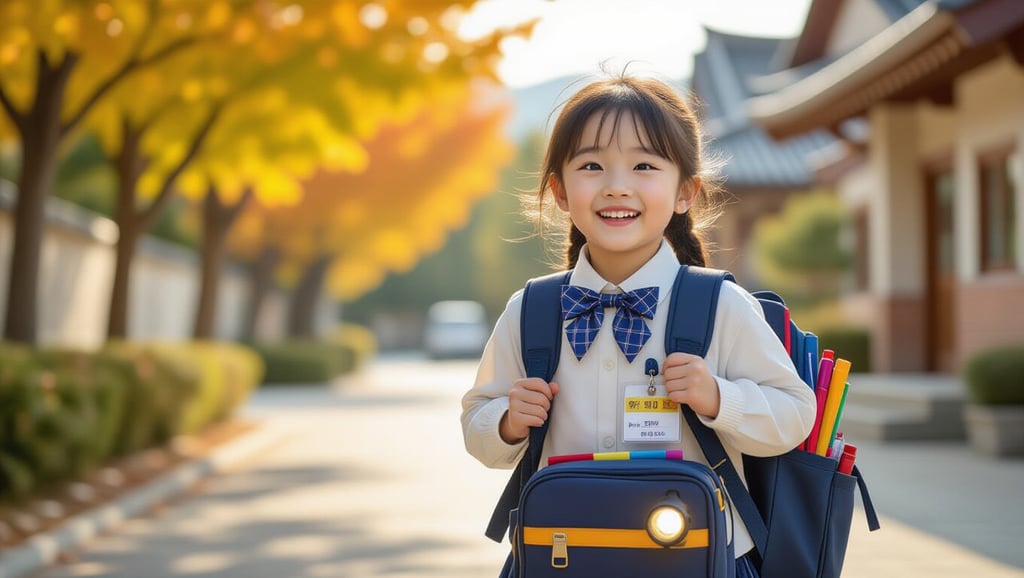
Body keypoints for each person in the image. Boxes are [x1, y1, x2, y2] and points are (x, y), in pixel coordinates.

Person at [461, 75, 816, 578]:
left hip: (698, 560)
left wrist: (718, 397)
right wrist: (506, 420)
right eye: (591, 166)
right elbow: (476, 424)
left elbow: (796, 413)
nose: (616, 185)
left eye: (645, 165)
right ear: (560, 192)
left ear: (685, 192)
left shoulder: (721, 305)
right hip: (562, 557)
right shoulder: (533, 308)